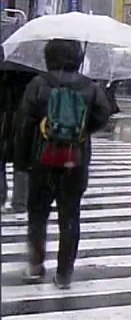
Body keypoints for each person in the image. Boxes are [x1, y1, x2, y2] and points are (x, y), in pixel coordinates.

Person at [16, 39, 113, 288]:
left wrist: (22, 162)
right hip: (75, 160)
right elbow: (103, 115)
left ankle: (36, 266)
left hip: (42, 159)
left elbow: (24, 125)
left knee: (37, 215)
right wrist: (79, 131)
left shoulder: (38, 84)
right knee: (69, 216)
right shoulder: (89, 87)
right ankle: (64, 274)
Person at [1, 67, 36, 215]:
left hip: (5, 113)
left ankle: (4, 196)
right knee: (23, 158)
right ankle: (20, 201)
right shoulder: (34, 68)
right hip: (25, 116)